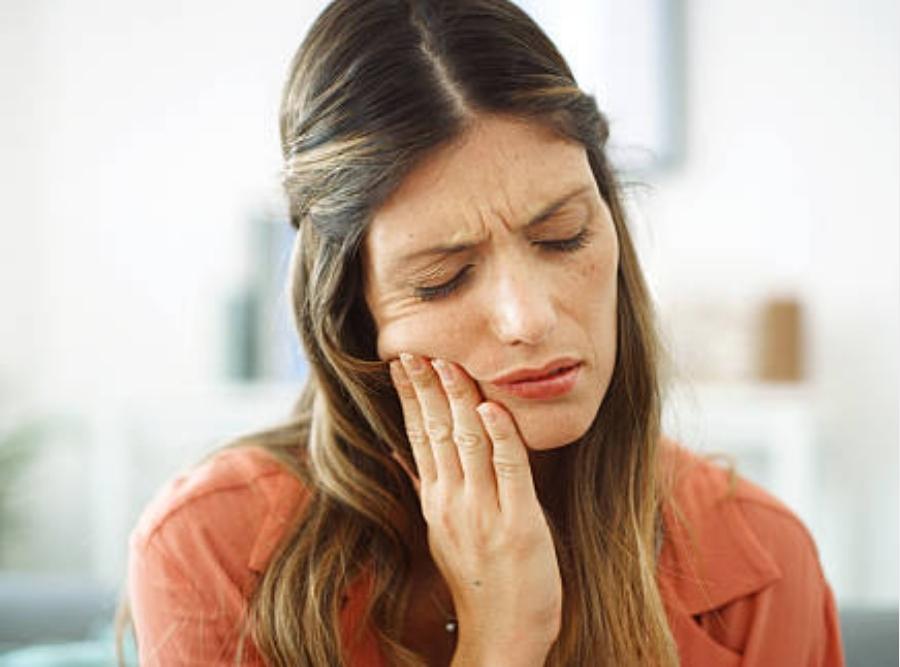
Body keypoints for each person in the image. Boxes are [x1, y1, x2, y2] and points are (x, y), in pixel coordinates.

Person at [120, 0, 846, 665]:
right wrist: (502, 638)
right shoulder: (210, 546)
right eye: (443, 277)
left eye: (563, 236)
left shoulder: (762, 561)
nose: (528, 318)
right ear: (353, 311)